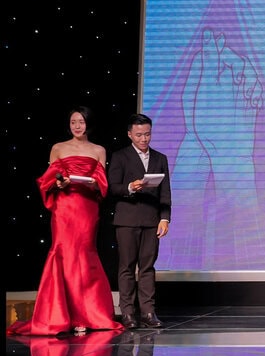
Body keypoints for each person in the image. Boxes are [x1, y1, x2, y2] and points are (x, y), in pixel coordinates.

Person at [7, 106, 123, 336]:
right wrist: (59, 183)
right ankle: (59, 315)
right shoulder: (58, 148)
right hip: (64, 208)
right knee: (63, 253)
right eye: (73, 122)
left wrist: (93, 183)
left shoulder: (99, 150)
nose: (77, 126)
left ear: (89, 123)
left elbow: (102, 185)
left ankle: (86, 315)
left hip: (87, 208)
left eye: (81, 122)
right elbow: (47, 181)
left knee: (84, 255)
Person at [108, 113, 172, 329]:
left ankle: (148, 312)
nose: (144, 139)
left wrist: (165, 218)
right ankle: (127, 312)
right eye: (139, 135)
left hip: (151, 220)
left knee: (147, 267)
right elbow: (112, 187)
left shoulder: (160, 158)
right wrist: (130, 187)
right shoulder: (120, 156)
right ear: (129, 134)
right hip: (127, 219)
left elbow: (165, 192)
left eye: (147, 134)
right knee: (127, 267)